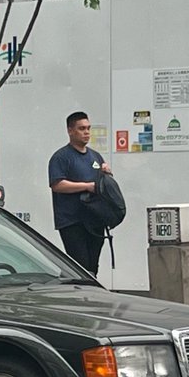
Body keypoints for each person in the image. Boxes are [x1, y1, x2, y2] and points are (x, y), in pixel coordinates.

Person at [48, 110, 112, 279]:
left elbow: (104, 186)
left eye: (88, 128)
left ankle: (90, 296)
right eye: (82, 128)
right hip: (72, 220)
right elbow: (57, 185)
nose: (86, 133)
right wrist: (86, 186)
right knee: (79, 265)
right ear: (70, 130)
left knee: (92, 266)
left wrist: (107, 174)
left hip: (94, 219)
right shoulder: (61, 157)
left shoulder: (95, 156)